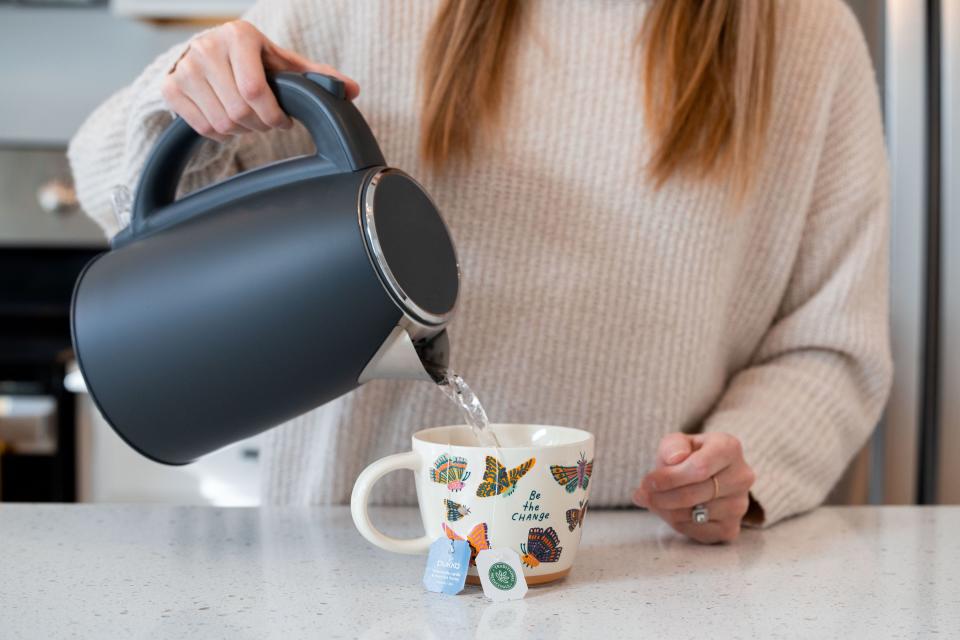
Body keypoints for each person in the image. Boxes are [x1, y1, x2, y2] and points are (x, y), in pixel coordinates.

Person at [68, 0, 892, 544]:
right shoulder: (360, 7)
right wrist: (191, 94)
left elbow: (828, 345)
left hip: (649, 563)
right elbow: (112, 179)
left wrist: (742, 464)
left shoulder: (801, 35)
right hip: (349, 551)